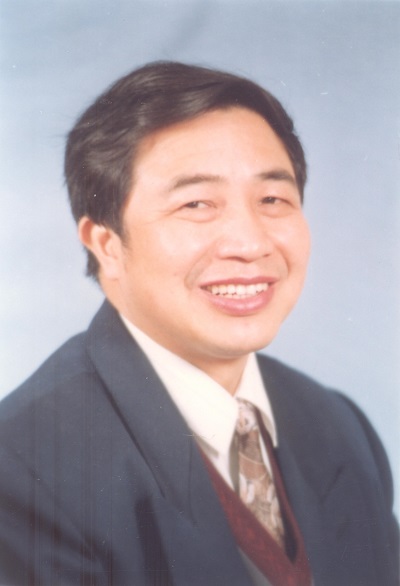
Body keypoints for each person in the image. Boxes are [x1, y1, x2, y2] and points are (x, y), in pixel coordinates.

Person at [0, 61, 398, 586]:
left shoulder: (340, 426)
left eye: (272, 199)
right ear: (106, 244)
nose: (250, 243)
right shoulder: (22, 470)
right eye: (196, 203)